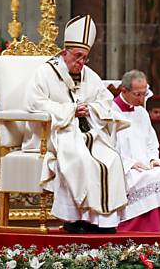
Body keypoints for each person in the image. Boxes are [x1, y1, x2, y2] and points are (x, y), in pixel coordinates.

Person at [25, 15, 130, 233]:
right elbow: (34, 103)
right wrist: (70, 110)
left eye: (85, 58)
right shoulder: (45, 73)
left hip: (88, 133)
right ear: (64, 53)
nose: (80, 62)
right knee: (80, 158)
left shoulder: (89, 75)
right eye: (77, 56)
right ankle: (75, 220)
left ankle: (102, 222)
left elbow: (105, 102)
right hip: (57, 133)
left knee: (111, 159)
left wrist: (89, 109)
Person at [113, 70, 160, 233]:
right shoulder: (110, 112)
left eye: (144, 94)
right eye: (137, 94)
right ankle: (148, 231)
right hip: (123, 168)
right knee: (150, 179)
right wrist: (129, 163)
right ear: (123, 91)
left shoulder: (142, 112)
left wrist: (154, 159)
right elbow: (107, 146)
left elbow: (151, 142)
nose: (141, 99)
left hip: (146, 166)